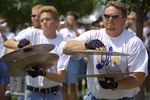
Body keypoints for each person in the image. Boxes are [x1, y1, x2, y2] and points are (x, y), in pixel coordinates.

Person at [63, 1, 148, 100]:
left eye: (115, 17)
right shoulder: (93, 35)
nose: (110, 19)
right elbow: (66, 48)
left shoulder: (134, 42)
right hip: (93, 97)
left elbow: (138, 78)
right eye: (106, 16)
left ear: (124, 20)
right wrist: (86, 44)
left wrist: (115, 85)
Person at [4, 5, 70, 100]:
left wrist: (42, 73)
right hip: (31, 93)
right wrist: (19, 45)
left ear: (56, 22)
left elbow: (60, 77)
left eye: (47, 19)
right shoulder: (33, 34)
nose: (44, 22)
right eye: (42, 20)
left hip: (52, 94)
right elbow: (7, 43)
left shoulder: (62, 45)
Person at [57, 11, 85, 100]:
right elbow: (54, 34)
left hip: (73, 59)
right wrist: (59, 26)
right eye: (67, 18)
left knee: (73, 85)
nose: (68, 20)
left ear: (75, 21)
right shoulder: (61, 30)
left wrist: (73, 27)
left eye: (71, 19)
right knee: (63, 85)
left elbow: (81, 39)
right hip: (62, 59)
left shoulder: (80, 30)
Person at [0, 16, 15, 100]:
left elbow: (8, 44)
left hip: (5, 61)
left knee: (3, 87)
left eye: (2, 23)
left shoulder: (11, 34)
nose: (1, 25)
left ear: (6, 24)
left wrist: (2, 34)